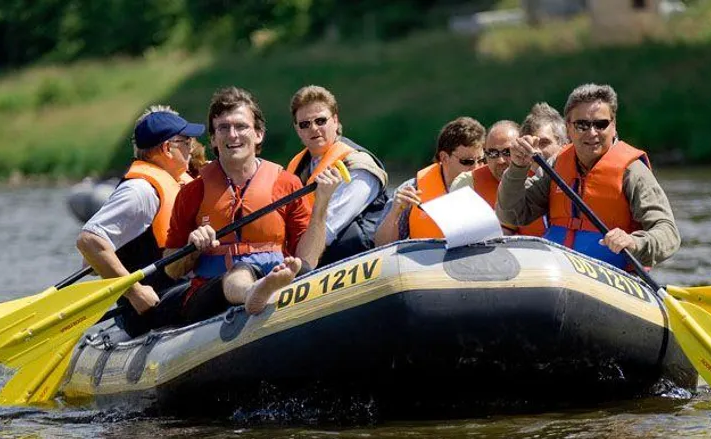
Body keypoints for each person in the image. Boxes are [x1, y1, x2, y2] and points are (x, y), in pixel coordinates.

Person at [164, 87, 342, 322]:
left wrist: (321, 204)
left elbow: (307, 259)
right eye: (223, 128)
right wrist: (193, 247)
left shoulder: (287, 184)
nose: (232, 135)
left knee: (298, 269)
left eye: (241, 126)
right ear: (214, 139)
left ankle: (267, 287)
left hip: (277, 278)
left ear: (258, 134)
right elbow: (171, 268)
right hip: (211, 294)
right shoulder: (192, 193)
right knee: (239, 273)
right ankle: (253, 293)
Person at [498, 84, 680, 268]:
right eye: (582, 125)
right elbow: (512, 215)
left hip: (614, 278)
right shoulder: (556, 164)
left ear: (614, 126)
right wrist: (517, 168)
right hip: (559, 271)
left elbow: (668, 233)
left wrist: (634, 242)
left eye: (601, 124)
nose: (592, 133)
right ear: (568, 128)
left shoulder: (633, 171)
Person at [77, 106, 203, 333]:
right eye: (186, 142)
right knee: (218, 289)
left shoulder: (177, 181)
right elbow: (89, 242)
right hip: (149, 308)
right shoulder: (140, 191)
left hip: (175, 292)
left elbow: (93, 262)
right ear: (167, 148)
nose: (191, 148)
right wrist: (135, 292)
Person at [285, 85, 389, 266]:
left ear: (335, 120)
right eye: (305, 124)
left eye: (321, 121)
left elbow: (328, 231)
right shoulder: (297, 166)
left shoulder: (359, 167)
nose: (314, 128)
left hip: (349, 265)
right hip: (301, 254)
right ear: (297, 129)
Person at [373, 116, 486, 245]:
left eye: (481, 160)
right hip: (429, 263)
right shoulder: (412, 190)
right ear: (444, 158)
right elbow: (380, 245)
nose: (476, 168)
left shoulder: (495, 185)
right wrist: (394, 213)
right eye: (467, 162)